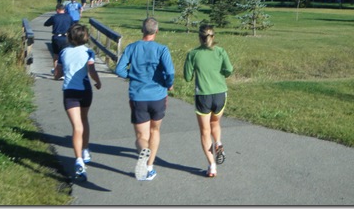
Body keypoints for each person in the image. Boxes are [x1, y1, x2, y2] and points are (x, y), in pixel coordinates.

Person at [115, 18, 175, 181]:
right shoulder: (162, 49)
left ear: (142, 30)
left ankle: (143, 151)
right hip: (158, 96)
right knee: (155, 131)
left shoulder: (132, 48)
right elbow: (170, 72)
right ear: (157, 31)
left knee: (142, 136)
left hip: (138, 96)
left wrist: (132, 76)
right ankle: (149, 167)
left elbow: (119, 69)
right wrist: (168, 84)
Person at [183, 24, 234, 178]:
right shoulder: (220, 51)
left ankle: (212, 166)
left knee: (205, 131)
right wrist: (220, 74)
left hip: (203, 95)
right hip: (220, 94)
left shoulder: (193, 54)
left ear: (199, 37)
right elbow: (229, 70)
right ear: (213, 36)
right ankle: (218, 142)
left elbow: (187, 77)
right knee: (215, 122)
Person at [54, 23, 102, 182]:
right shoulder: (89, 51)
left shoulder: (64, 52)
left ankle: (79, 160)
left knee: (76, 126)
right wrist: (98, 82)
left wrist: (56, 75)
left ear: (69, 37)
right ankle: (85, 149)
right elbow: (92, 70)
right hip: (85, 90)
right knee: (84, 119)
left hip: (70, 92)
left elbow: (58, 73)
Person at [44, 3, 74, 76]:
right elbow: (73, 26)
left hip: (56, 38)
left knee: (56, 55)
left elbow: (46, 24)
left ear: (57, 10)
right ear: (64, 10)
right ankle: (64, 72)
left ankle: (56, 72)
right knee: (65, 55)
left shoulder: (54, 17)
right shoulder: (69, 17)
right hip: (66, 38)